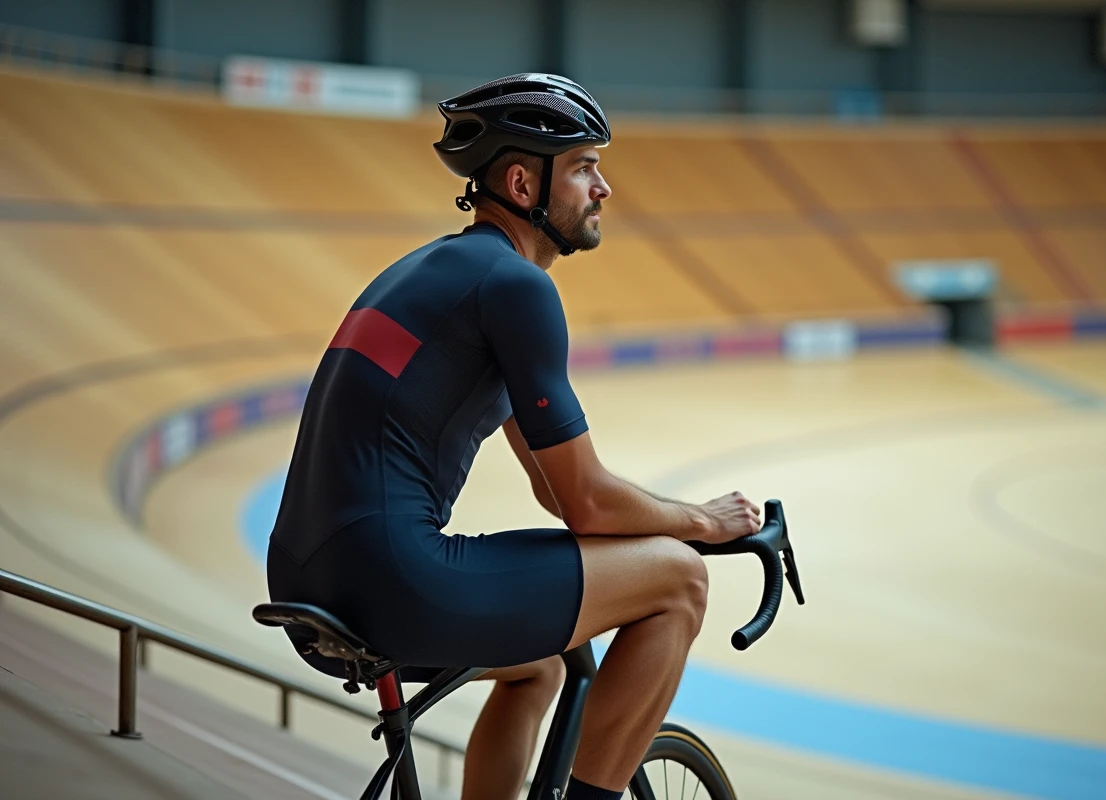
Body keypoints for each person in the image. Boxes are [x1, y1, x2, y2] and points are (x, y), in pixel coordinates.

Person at [267, 73, 761, 800]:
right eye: (586, 167)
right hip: (392, 580)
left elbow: (556, 491)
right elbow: (587, 503)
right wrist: (703, 525)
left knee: (542, 665)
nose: (604, 188)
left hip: (306, 580)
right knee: (680, 580)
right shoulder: (518, 288)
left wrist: (653, 525)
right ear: (525, 182)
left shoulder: (435, 271)